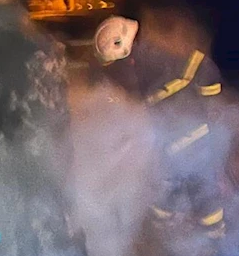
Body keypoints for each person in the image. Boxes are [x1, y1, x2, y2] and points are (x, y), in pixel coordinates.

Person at [93, 15, 227, 240]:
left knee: (191, 185)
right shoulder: (143, 61)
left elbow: (201, 69)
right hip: (177, 136)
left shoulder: (152, 59)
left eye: (115, 64)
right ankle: (183, 236)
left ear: (126, 52)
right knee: (176, 185)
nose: (113, 71)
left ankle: (207, 243)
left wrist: (208, 104)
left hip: (191, 136)